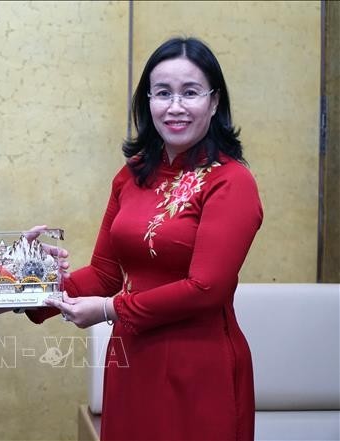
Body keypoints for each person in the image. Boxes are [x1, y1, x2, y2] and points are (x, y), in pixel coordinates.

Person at [30, 37, 263, 440]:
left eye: (189, 93)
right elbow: (105, 274)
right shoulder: (132, 174)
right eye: (162, 93)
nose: (174, 107)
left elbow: (205, 288)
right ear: (147, 101)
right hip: (131, 360)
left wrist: (107, 310)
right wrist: (24, 290)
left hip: (199, 368)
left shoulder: (231, 181)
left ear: (213, 101)